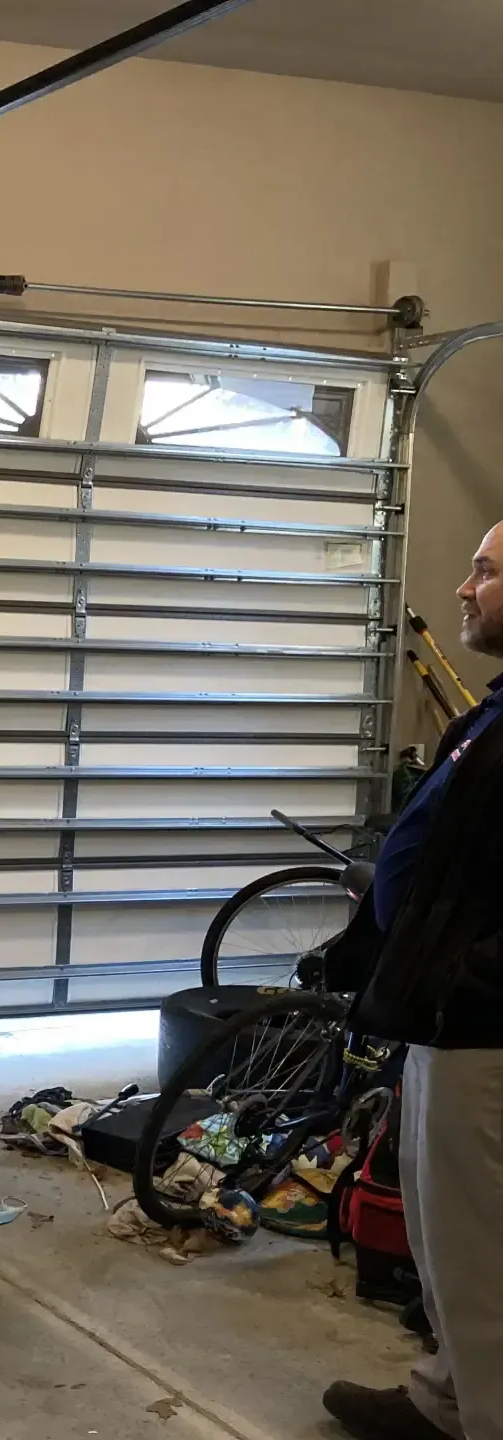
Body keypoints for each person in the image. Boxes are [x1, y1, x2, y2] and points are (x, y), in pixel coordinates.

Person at [323, 522, 503, 1440]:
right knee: (443, 1232)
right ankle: (446, 1399)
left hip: (484, 1023)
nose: (465, 588)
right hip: (442, 1014)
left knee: (483, 1247)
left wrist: (472, 975)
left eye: (486, 571)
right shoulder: (494, 713)